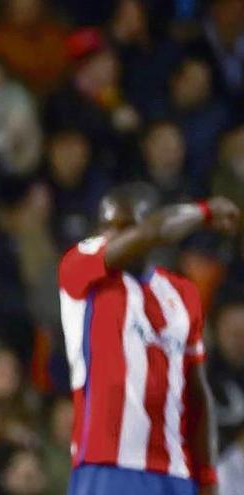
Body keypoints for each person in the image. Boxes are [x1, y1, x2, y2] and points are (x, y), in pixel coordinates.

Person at [58, 182, 239, 494]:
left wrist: (207, 478)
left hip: (175, 472)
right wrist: (204, 212)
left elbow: (196, 393)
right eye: (107, 226)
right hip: (108, 466)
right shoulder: (80, 272)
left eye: (126, 228)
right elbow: (152, 233)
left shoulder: (182, 295)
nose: (113, 237)